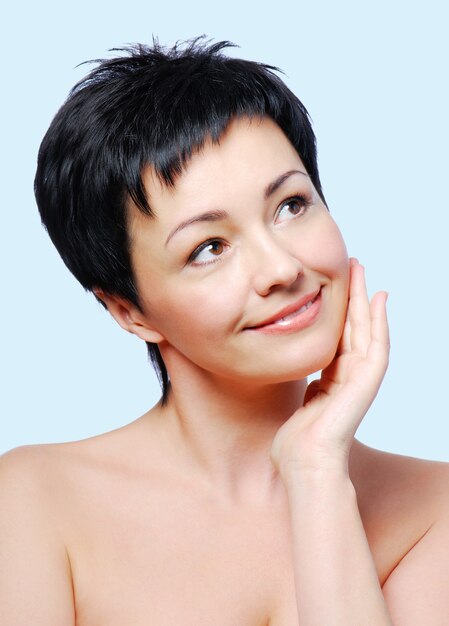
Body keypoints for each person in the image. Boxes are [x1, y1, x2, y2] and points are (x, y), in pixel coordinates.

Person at [1, 37, 448, 625]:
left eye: (290, 205)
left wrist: (316, 472)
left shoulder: (433, 510)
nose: (282, 269)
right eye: (209, 248)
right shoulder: (32, 503)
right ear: (129, 311)